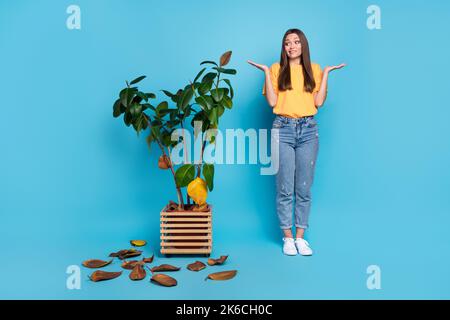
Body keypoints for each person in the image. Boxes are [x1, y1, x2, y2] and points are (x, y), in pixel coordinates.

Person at [248, 28, 345, 256]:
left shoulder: (315, 69)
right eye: (287, 43)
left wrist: (327, 73)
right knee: (284, 188)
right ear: (284, 48)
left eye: (296, 42)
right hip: (282, 129)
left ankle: (301, 238)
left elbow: (318, 102)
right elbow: (272, 103)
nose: (292, 46)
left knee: (304, 187)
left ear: (303, 45)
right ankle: (287, 238)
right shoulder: (275, 69)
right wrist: (264, 72)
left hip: (308, 130)